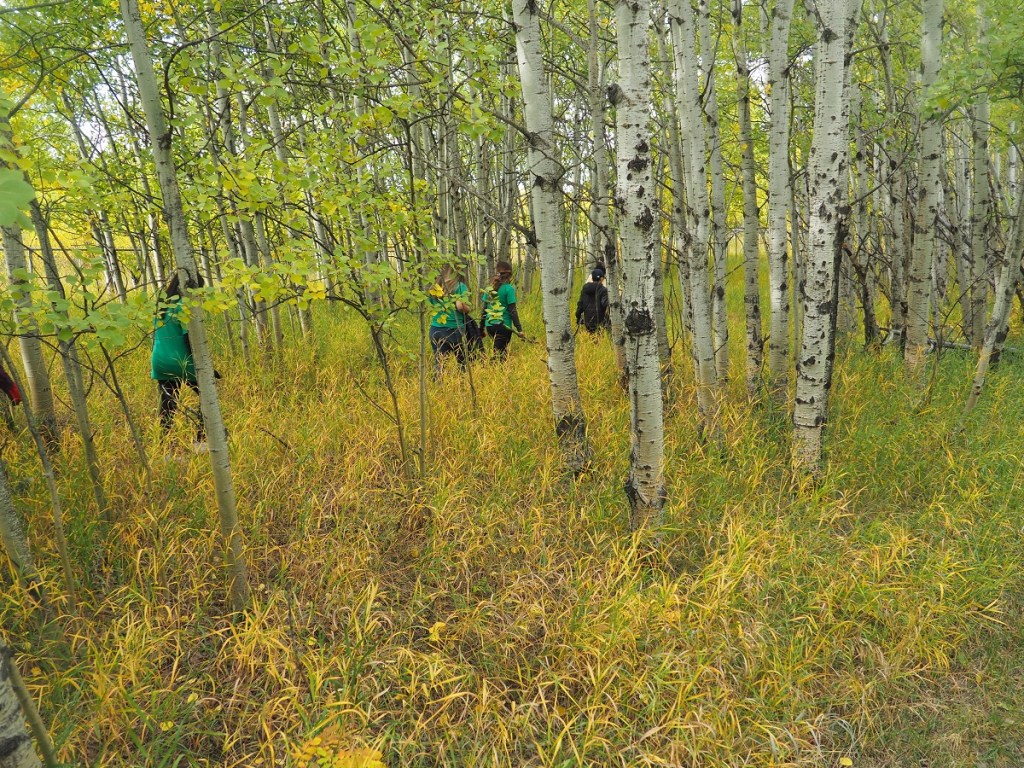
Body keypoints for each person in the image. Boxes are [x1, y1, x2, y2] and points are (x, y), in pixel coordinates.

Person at [151, 273, 207, 447]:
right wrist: (204, 366)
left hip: (159, 360)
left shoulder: (162, 305)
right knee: (208, 396)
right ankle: (202, 440)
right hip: (181, 361)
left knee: (168, 404)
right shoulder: (184, 305)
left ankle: (165, 446)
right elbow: (188, 338)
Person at [428, 265, 472, 371]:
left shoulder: (435, 287)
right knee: (462, 362)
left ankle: (439, 385)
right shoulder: (460, 286)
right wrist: (468, 309)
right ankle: (462, 384)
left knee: (440, 363)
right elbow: (460, 306)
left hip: (435, 329)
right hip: (453, 329)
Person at [480, 261, 523, 360]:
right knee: (500, 354)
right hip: (503, 326)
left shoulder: (489, 289)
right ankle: (494, 371)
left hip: (489, 325)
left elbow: (484, 310)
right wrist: (519, 329)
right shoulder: (509, 289)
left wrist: (481, 328)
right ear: (510, 276)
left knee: (500, 351)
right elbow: (512, 310)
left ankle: (497, 371)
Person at [575, 267, 609, 333]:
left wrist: (578, 316)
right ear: (601, 278)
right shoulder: (603, 290)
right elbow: (605, 303)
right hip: (600, 324)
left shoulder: (585, 288)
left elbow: (580, 304)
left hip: (587, 323)